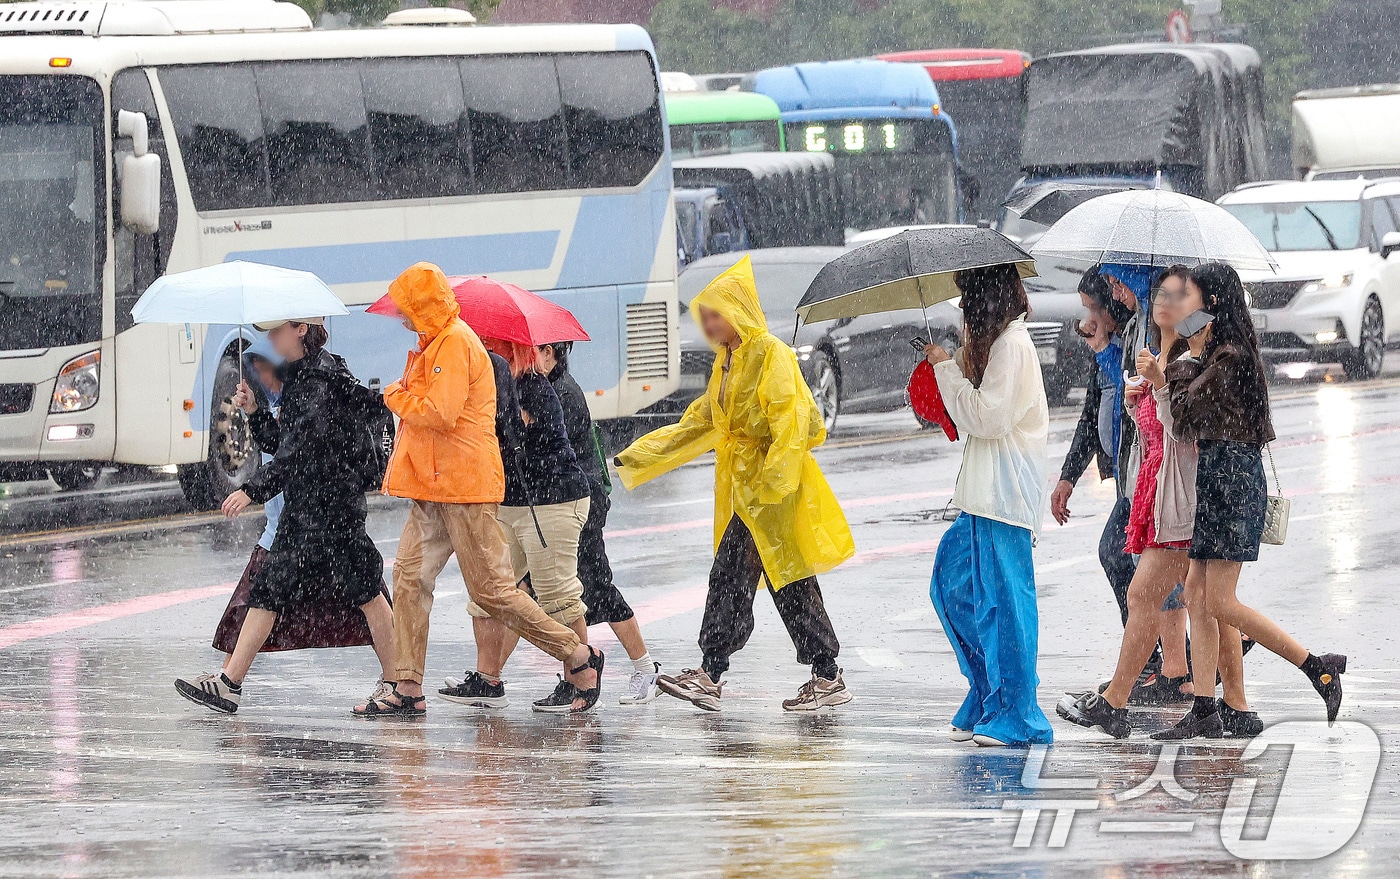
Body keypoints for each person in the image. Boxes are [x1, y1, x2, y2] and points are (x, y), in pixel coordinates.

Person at [614, 256, 855, 712]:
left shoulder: (770, 354)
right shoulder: (727, 360)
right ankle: (825, 675)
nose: (707, 323)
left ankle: (711, 671)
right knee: (788, 582)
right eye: (703, 315)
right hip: (745, 489)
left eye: (715, 313)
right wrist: (640, 455)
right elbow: (701, 422)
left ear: (738, 310)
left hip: (770, 492)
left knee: (733, 575)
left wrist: (773, 485)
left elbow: (791, 422)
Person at [360, 262, 602, 716]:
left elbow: (441, 411)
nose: (402, 317)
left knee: (493, 592)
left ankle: (578, 655)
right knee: (409, 580)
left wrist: (394, 396)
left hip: (466, 488)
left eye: (406, 308)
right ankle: (407, 687)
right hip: (432, 488)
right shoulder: (431, 346)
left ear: (422, 307)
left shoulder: (454, 344)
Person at [1155, 262, 1347, 739]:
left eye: (1190, 296)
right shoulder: (1217, 352)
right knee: (1198, 595)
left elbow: (1182, 419)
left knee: (1219, 599)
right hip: (1220, 480)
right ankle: (1221, 706)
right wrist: (1187, 352)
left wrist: (1176, 364)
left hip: (1234, 484)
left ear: (1212, 304)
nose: (1182, 304)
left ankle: (1316, 666)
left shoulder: (1229, 358)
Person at [175, 318, 396, 715]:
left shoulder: (319, 383)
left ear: (300, 330)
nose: (271, 338)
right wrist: (258, 412)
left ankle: (401, 685)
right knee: (276, 591)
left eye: (277, 330)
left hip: (328, 512)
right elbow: (283, 444)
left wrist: (251, 490)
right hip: (313, 510)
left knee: (366, 593)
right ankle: (230, 684)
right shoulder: (305, 377)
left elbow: (297, 453)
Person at [1059, 266, 1209, 737]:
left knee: (1189, 598)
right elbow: (1148, 426)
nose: (1157, 303)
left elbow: (1184, 425)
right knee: (1194, 599)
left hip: (1178, 492)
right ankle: (1191, 692)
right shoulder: (1148, 345)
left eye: (1170, 297)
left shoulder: (1189, 352)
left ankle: (1136, 695)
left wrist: (1158, 388)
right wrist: (1133, 400)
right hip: (1154, 486)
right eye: (1158, 295)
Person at [924, 263, 1053, 747]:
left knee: (1005, 603)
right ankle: (988, 692)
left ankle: (1019, 713)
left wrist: (945, 371)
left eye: (965, 299)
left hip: (1004, 495)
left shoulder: (1013, 347)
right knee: (954, 583)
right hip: (983, 496)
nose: (961, 308)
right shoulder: (998, 347)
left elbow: (987, 416)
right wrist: (953, 366)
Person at [444, 337, 595, 714]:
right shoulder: (492, 385)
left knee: (557, 596)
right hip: (511, 503)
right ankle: (488, 679)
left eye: (492, 351)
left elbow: (516, 438)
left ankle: (581, 677)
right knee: (490, 592)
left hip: (554, 500)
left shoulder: (532, 386)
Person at [540, 340, 664, 704]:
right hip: (570, 500)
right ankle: (495, 676)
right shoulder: (550, 385)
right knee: (554, 593)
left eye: (533, 350)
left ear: (550, 352)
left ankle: (643, 670)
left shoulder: (562, 392)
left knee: (594, 589)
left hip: (581, 503)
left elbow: (552, 452)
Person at [1050, 268, 1139, 634]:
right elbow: (1091, 416)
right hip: (1123, 476)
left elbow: (1130, 397)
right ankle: (1165, 655)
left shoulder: (1133, 341)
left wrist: (1104, 349)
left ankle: (1172, 655)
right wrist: (1069, 475)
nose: (1088, 318)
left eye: (1093, 308)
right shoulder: (1104, 351)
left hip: (1140, 473)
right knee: (1128, 562)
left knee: (1130, 560)